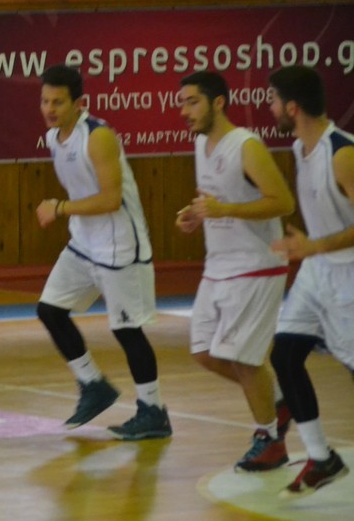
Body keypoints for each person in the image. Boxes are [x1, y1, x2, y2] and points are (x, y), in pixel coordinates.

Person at [35, 65, 170, 439]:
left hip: (119, 246)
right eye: (45, 101)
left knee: (127, 330)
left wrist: (59, 208)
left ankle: (153, 410)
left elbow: (111, 199)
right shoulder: (53, 138)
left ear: (79, 103)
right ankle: (93, 384)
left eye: (58, 102)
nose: (50, 109)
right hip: (84, 243)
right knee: (50, 310)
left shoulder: (98, 137)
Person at [176, 71, 295, 472]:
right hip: (218, 265)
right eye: (182, 103)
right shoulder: (200, 144)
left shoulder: (246, 145)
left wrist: (225, 210)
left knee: (244, 359)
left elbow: (282, 202)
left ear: (218, 102)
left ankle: (270, 439)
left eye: (193, 102)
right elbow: (216, 198)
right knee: (204, 352)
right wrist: (195, 213)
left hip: (256, 264)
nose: (185, 111)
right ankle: (278, 402)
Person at [266, 65, 352, 497]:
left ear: (292, 107)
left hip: (348, 273)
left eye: (273, 99)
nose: (270, 107)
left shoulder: (342, 153)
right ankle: (321, 457)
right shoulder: (301, 147)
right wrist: (309, 249)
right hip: (318, 272)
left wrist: (314, 246)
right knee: (284, 355)